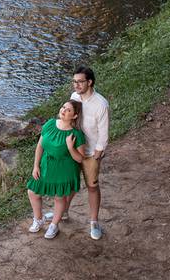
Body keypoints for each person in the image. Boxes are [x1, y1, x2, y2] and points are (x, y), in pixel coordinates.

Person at [25, 100, 86, 239]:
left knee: (59, 197)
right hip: (46, 166)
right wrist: (36, 166)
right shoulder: (50, 124)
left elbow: (80, 159)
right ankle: (38, 219)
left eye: (68, 110)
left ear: (75, 116)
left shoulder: (76, 134)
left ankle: (54, 225)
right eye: (63, 107)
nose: (63, 110)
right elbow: (40, 146)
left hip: (65, 169)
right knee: (33, 192)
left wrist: (70, 147)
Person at [69, 65, 109, 240]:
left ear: (90, 82)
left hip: (91, 152)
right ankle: (61, 212)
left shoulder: (101, 104)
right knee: (69, 183)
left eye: (80, 82)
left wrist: (97, 155)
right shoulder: (74, 97)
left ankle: (94, 221)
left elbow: (104, 134)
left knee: (92, 187)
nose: (76, 85)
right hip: (73, 148)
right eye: (74, 82)